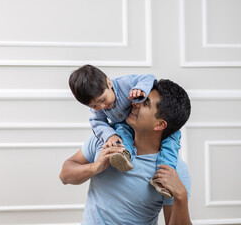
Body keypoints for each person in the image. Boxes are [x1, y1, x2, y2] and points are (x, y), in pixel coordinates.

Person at [59, 79, 192, 225]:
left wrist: (181, 196)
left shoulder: (174, 170)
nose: (135, 103)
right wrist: (95, 167)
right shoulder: (108, 139)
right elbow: (65, 176)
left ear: (160, 124)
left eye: (145, 103)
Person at [68, 65, 181, 198]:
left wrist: (140, 89)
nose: (101, 107)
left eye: (103, 100)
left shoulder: (125, 83)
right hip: (124, 123)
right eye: (93, 106)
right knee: (120, 135)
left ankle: (163, 179)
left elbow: (148, 77)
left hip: (140, 121)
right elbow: (97, 122)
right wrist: (109, 135)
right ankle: (124, 156)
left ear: (109, 82)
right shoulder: (97, 109)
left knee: (171, 143)